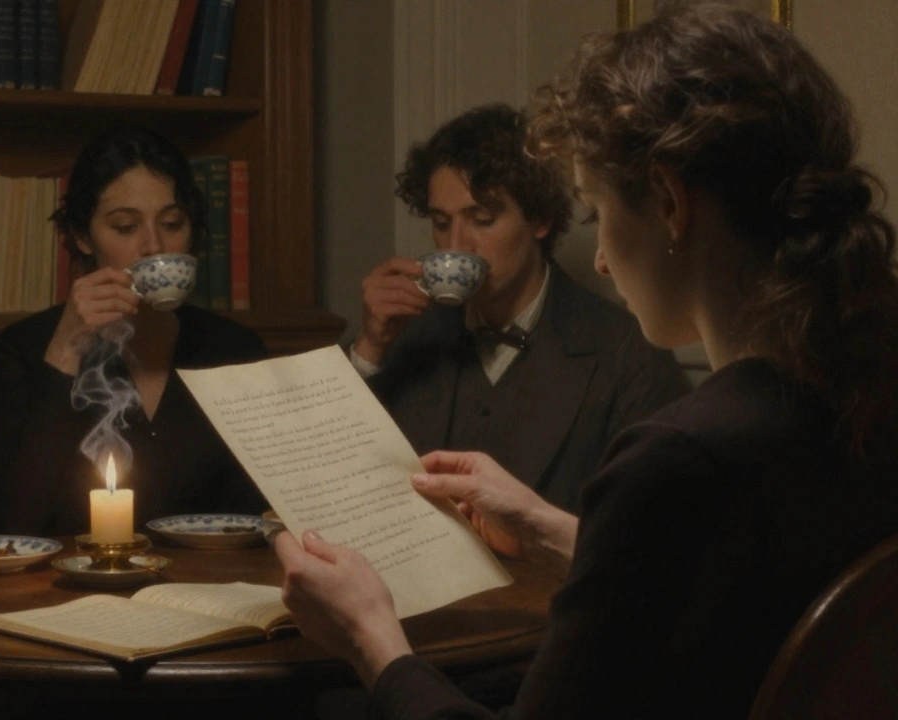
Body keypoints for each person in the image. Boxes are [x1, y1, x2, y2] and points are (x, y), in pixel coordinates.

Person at [276, 4, 898, 718]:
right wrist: (546, 526)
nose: (599, 258)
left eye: (599, 211)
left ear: (668, 202)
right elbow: (726, 589)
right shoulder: (856, 393)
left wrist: (370, 636)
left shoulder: (680, 459)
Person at [351, 104, 688, 512]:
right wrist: (369, 348)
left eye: (483, 219)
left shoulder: (626, 353)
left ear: (539, 220)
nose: (457, 245)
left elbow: (655, 527)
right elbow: (338, 482)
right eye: (442, 223)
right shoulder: (409, 334)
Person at [0, 127, 267, 537]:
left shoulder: (233, 349)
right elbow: (11, 524)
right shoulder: (23, 348)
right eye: (125, 227)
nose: (153, 246)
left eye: (172, 222)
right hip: (76, 589)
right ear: (83, 236)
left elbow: (259, 516)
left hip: (208, 587)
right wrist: (65, 349)